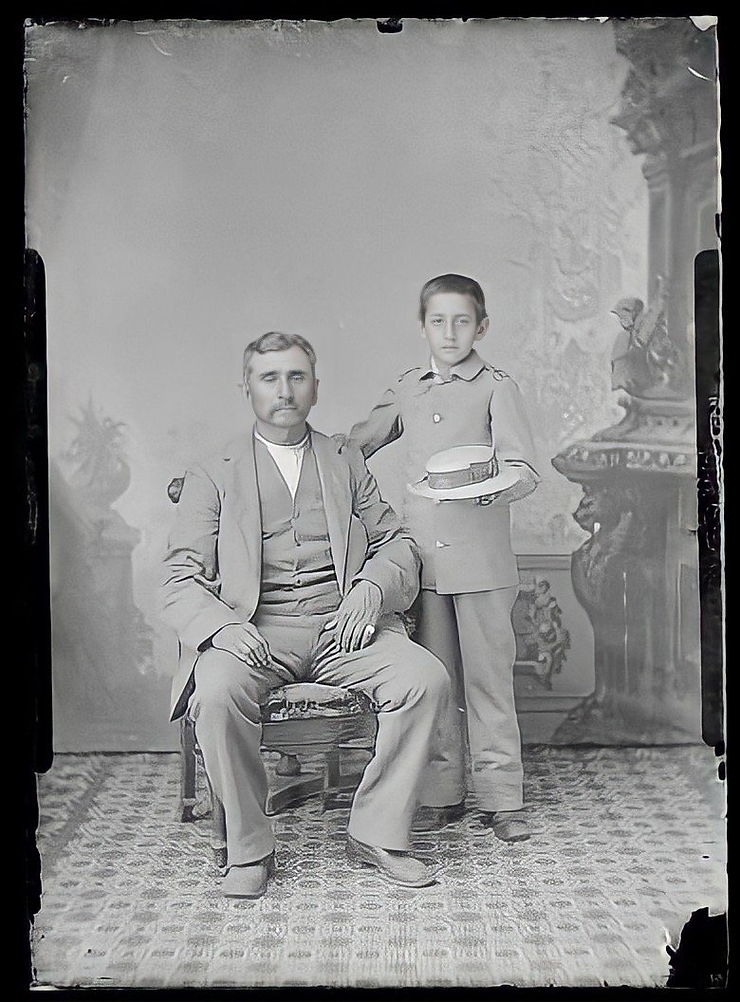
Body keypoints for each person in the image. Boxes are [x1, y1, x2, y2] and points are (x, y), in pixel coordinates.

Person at [160, 331, 451, 898]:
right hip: (255, 632)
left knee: (426, 679)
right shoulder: (213, 471)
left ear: (315, 388)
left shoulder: (343, 461)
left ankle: (377, 832)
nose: (284, 390)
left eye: (297, 377)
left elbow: (397, 544)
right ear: (247, 387)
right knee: (216, 693)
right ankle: (249, 849)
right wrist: (222, 628)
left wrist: (370, 588)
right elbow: (178, 578)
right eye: (270, 377)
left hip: (344, 626)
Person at [343, 274, 540, 842]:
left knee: (488, 685)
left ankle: (502, 799)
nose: (450, 332)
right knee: (437, 684)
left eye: (462, 321)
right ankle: (441, 793)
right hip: (423, 568)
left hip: (482, 564)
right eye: (438, 321)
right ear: (422, 326)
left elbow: (524, 468)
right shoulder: (409, 388)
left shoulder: (497, 388)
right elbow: (354, 447)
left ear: (482, 327)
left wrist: (489, 488)